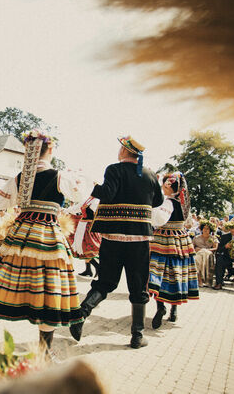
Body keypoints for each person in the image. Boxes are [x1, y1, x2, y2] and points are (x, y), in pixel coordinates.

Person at [0, 130, 90, 356]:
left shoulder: (21, 177)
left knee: (13, 282)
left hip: (22, 235)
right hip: (47, 237)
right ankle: (44, 353)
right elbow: (79, 196)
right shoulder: (59, 177)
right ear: (51, 149)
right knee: (49, 290)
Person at [69, 135, 163, 349]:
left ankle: (81, 315)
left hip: (113, 237)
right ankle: (137, 336)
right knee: (138, 287)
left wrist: (91, 185)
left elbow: (107, 194)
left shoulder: (114, 169)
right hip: (140, 240)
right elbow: (158, 201)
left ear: (124, 151)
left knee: (106, 282)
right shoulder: (150, 174)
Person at [148, 172, 199, 329]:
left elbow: (158, 219)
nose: (162, 186)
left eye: (164, 184)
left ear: (169, 186)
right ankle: (174, 311)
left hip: (164, 240)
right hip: (181, 240)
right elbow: (189, 223)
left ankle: (161, 307)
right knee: (177, 274)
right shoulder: (184, 204)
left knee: (158, 273)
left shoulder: (167, 203)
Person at [72, 196, 101, 277]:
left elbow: (96, 212)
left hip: (89, 226)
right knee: (82, 247)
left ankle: (97, 267)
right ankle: (88, 270)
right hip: (83, 225)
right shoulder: (89, 199)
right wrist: (66, 210)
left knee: (86, 247)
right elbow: (77, 208)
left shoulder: (96, 201)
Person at [193, 220, 218, 287]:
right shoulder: (196, 237)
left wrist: (205, 250)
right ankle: (199, 280)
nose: (205, 230)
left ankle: (207, 281)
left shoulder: (213, 238)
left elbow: (215, 248)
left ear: (210, 230)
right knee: (196, 260)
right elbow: (192, 247)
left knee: (205, 256)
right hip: (198, 254)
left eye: (207, 229)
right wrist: (196, 250)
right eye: (204, 228)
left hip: (208, 254)